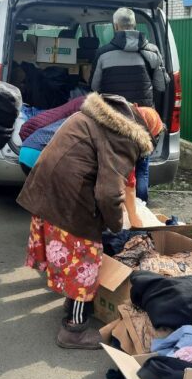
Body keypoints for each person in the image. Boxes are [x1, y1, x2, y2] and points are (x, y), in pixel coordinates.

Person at [17, 93, 162, 349]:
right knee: (86, 265)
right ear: (146, 132)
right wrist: (117, 225)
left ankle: (73, 304)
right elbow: (109, 193)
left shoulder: (98, 116)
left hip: (48, 191)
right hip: (70, 200)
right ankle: (73, 330)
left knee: (73, 261)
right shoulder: (124, 136)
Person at [91, 7, 168, 204]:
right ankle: (139, 210)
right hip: (143, 118)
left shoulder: (103, 53)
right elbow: (161, 86)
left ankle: (114, 209)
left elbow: (94, 87)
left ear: (115, 26)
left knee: (113, 166)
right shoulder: (152, 51)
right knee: (141, 167)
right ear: (134, 25)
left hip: (114, 118)